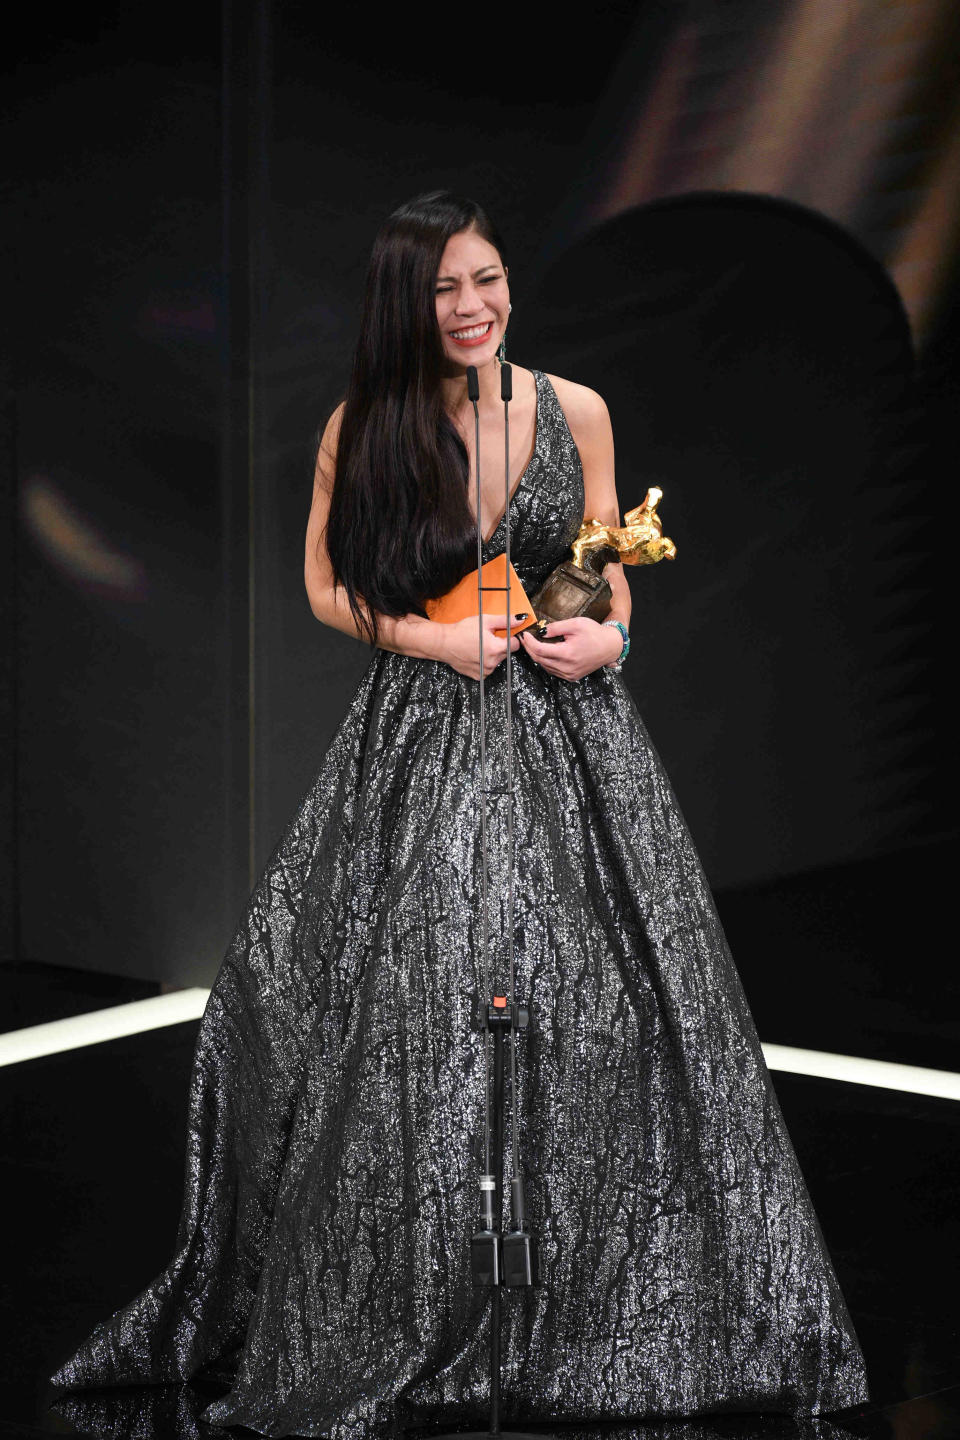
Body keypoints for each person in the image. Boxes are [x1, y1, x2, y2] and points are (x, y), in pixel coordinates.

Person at [49, 192, 870, 1438]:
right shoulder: (364, 428)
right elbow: (327, 585)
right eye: (446, 290)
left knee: (607, 1009)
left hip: (572, 733)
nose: (475, 305)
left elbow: (608, 575)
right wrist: (434, 637)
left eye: (488, 278)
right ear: (407, 305)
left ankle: (598, 1301)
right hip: (425, 730)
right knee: (413, 1008)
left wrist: (611, 642)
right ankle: (414, 1288)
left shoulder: (572, 409)